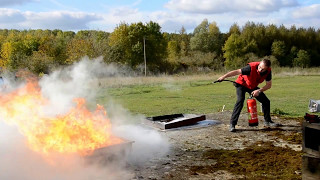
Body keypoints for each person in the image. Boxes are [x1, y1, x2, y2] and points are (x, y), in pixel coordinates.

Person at [217, 59, 279, 132]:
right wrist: (223, 77)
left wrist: (258, 90)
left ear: (267, 69)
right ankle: (232, 124)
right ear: (259, 64)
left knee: (266, 101)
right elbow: (236, 71)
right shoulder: (250, 68)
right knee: (240, 101)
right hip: (241, 84)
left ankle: (268, 121)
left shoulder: (268, 72)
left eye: (262, 69)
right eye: (259, 67)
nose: (260, 70)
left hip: (252, 86)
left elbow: (268, 85)